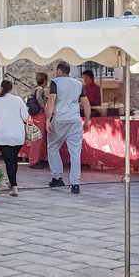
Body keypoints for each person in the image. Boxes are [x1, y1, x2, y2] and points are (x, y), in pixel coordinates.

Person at [44, 62, 91, 194]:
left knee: (53, 147)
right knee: (75, 152)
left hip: (60, 118)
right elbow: (86, 103)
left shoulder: (55, 82)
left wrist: (48, 120)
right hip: (75, 120)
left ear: (59, 70)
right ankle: (75, 183)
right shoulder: (78, 84)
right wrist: (87, 120)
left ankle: (57, 177)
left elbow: (51, 101)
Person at [0, 81, 27, 197]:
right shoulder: (18, 100)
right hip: (18, 134)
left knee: (9, 160)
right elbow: (25, 116)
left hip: (3, 135)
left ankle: (14, 186)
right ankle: (12, 182)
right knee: (13, 159)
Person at [28, 72, 51, 169]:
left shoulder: (34, 89)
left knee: (38, 138)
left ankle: (37, 159)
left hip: (35, 116)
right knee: (38, 139)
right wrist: (47, 110)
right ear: (45, 81)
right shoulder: (40, 90)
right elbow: (40, 101)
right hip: (39, 116)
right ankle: (34, 161)